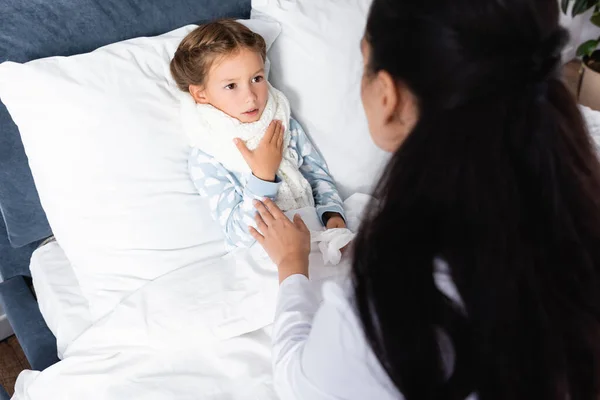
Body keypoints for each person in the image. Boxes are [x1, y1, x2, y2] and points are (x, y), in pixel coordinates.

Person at [249, 0, 600, 399]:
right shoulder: (578, 201)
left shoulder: (386, 308)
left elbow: (301, 387)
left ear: (388, 94)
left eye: (364, 63)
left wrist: (292, 267)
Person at [169, 20, 346, 248]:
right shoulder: (208, 154)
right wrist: (262, 177)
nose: (251, 97)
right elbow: (237, 234)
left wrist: (333, 215)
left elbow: (317, 177)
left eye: (256, 79)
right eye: (231, 86)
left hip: (315, 234)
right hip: (265, 254)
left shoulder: (282, 123)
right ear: (201, 94)